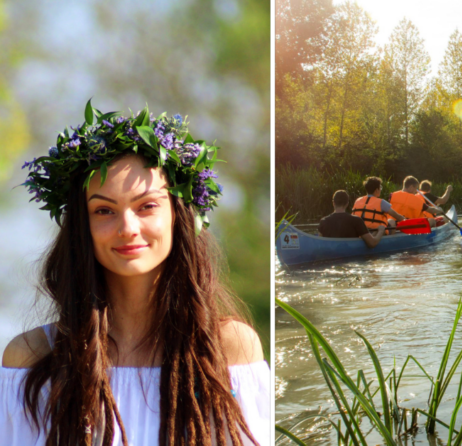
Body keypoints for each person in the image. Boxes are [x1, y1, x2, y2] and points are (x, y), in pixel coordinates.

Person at [3, 104, 268, 445]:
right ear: (83, 227)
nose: (127, 228)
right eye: (104, 210)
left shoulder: (230, 349)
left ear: (177, 215)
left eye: (147, 206)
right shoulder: (33, 358)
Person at [318, 190, 385, 247]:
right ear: (347, 204)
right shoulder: (356, 220)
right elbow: (372, 243)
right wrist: (381, 231)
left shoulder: (323, 221)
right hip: (351, 259)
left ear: (333, 203)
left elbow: (320, 243)